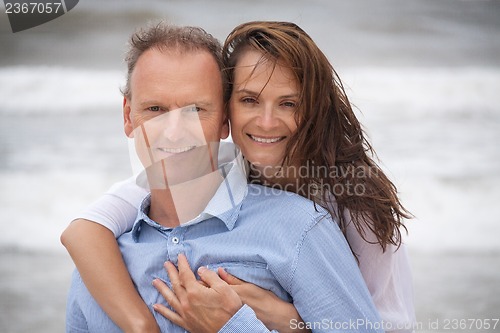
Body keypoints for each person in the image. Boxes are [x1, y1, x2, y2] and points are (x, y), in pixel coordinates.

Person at [62, 21, 415, 332]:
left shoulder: (338, 210)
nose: (265, 121)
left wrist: (277, 322)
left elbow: (375, 325)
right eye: (249, 100)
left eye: (288, 103)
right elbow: (86, 228)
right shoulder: (133, 228)